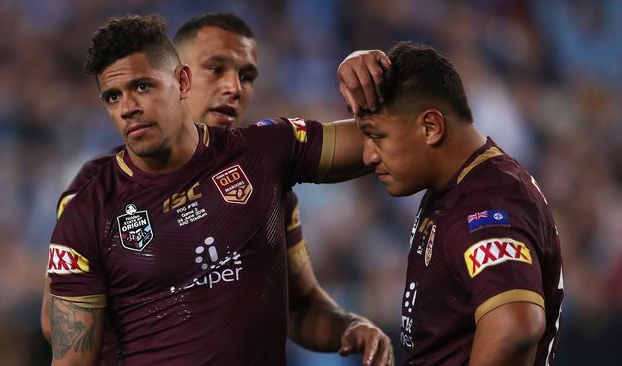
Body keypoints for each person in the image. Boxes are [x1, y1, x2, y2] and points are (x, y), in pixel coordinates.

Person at [46, 13, 392, 366]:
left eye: (247, 76)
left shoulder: (264, 165)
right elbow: (60, 329)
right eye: (216, 69)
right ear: (187, 77)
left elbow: (299, 308)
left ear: (179, 81)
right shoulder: (91, 200)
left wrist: (377, 71)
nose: (233, 88)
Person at [338, 42, 563, 365]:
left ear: (431, 127)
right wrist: (353, 60)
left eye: (377, 137)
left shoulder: (485, 205)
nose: (367, 156)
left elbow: (514, 327)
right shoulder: (461, 183)